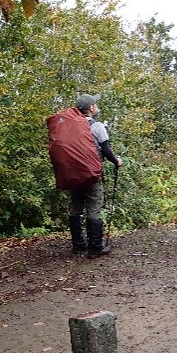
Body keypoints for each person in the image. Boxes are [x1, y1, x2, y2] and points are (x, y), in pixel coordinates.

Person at [69, 93, 123, 258]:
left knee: (75, 207)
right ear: (91, 107)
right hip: (91, 174)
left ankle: (78, 244)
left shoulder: (71, 126)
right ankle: (95, 247)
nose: (96, 106)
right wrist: (117, 161)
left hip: (73, 173)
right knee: (94, 207)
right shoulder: (97, 126)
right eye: (95, 104)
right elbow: (105, 150)